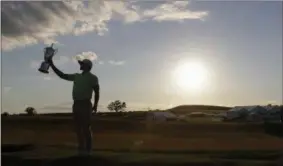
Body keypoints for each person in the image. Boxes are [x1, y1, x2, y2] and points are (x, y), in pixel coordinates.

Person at [48, 57, 100, 156]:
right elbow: (62, 75)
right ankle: (81, 150)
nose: (80, 65)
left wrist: (95, 104)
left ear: (87, 66)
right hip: (76, 104)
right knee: (78, 128)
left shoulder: (93, 78)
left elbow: (97, 92)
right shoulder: (77, 76)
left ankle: (88, 151)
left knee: (86, 128)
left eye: (82, 64)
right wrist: (52, 65)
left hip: (85, 104)